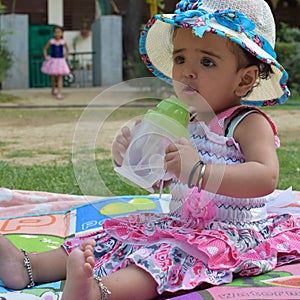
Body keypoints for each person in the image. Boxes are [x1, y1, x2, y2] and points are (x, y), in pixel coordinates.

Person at [0, 0, 299, 299]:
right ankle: (29, 265)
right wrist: (133, 154)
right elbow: (162, 178)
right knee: (119, 235)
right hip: (183, 223)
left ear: (244, 78)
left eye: (207, 62)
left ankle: (99, 292)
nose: (187, 73)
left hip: (229, 233)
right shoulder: (187, 119)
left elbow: (266, 177)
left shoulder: (247, 123)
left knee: (166, 256)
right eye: (180, 59)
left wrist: (200, 171)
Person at [41, 25, 70, 100]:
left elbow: (67, 50)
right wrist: (46, 57)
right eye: (56, 32)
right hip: (53, 60)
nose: (57, 34)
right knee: (53, 77)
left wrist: (65, 57)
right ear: (53, 33)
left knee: (60, 77)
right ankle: (53, 88)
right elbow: (45, 49)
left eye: (59, 32)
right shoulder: (51, 41)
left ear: (62, 33)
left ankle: (59, 93)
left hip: (60, 61)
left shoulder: (63, 42)